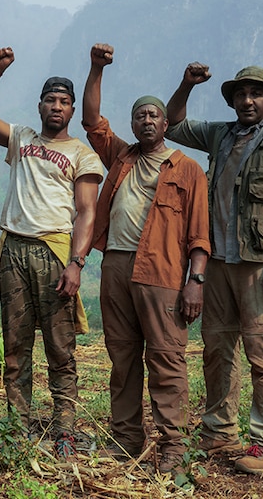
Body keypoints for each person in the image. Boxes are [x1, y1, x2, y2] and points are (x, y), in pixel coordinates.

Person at [165, 62, 263, 474]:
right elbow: (173, 124)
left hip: (260, 265)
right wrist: (186, 84)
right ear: (232, 100)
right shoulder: (221, 134)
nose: (247, 100)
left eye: (256, 94)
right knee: (217, 350)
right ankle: (219, 432)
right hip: (217, 263)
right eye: (240, 94)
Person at [0, 46, 102, 460]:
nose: (56, 107)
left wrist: (77, 264)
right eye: (50, 100)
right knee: (15, 346)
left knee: (60, 349)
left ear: (73, 109)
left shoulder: (82, 153)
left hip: (55, 252)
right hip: (14, 252)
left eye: (64, 101)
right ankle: (17, 426)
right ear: (39, 105)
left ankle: (65, 430)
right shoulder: (22, 137)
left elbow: (86, 213)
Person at [80, 44, 210, 474]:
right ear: (133, 123)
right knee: (122, 356)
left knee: (167, 357)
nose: (147, 120)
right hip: (116, 266)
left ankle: (173, 446)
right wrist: (96, 69)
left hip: (164, 272)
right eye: (140, 115)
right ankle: (126, 440)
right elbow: (92, 121)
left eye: (154, 115)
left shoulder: (187, 168)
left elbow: (199, 234)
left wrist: (196, 282)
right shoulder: (121, 155)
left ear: (166, 122)